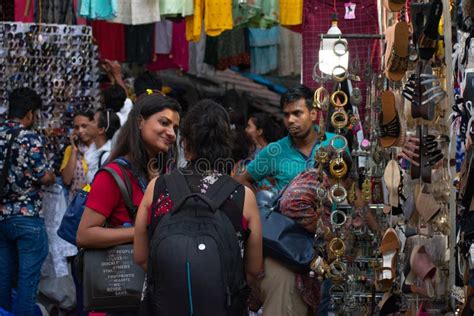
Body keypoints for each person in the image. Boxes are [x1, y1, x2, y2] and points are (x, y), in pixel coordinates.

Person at [134, 99, 263, 314]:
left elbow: (140, 256)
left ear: (184, 142)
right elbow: (253, 269)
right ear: (225, 143)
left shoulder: (157, 187)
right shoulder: (243, 196)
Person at [234, 85, 345, 315]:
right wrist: (259, 209)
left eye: (297, 113)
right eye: (286, 115)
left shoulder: (335, 144)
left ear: (313, 114)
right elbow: (241, 180)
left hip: (332, 240)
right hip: (291, 241)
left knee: (330, 304)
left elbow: (349, 188)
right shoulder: (275, 151)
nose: (291, 120)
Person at [76, 91, 181, 248]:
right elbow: (85, 235)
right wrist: (142, 231)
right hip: (125, 269)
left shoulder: (166, 174)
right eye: (164, 123)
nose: (172, 133)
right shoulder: (114, 175)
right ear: (140, 122)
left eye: (175, 127)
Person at [0, 87, 56, 315]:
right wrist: (51, 176)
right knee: (27, 280)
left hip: (2, 218)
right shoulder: (29, 138)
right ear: (30, 113)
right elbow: (44, 176)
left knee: (3, 275)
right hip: (27, 217)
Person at [60, 110, 97, 201]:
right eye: (76, 127)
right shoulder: (71, 150)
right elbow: (67, 180)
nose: (80, 131)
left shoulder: (100, 150)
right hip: (76, 204)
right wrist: (74, 151)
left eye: (84, 126)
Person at [85, 109, 121, 183]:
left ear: (101, 130)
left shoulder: (107, 157)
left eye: (93, 121)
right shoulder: (93, 150)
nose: (88, 123)